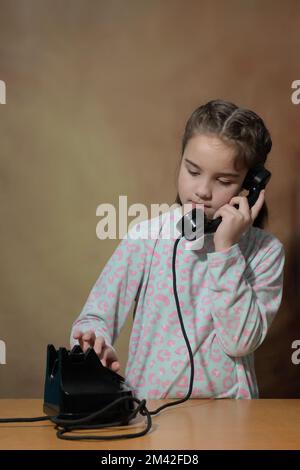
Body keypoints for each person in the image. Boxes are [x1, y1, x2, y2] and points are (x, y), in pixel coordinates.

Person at [70, 99, 285, 399]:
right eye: (193, 171)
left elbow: (240, 341)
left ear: (251, 186)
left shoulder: (266, 252)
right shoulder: (147, 236)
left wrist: (225, 250)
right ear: (182, 159)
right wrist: (94, 342)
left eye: (223, 180)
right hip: (152, 411)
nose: (202, 190)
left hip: (230, 417)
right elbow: (94, 318)